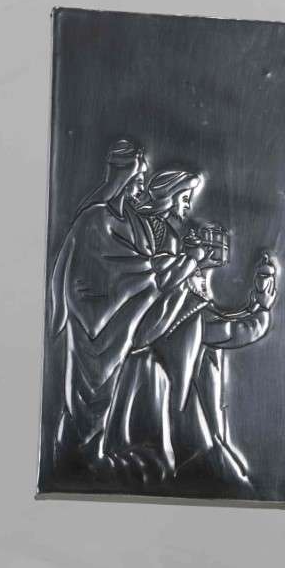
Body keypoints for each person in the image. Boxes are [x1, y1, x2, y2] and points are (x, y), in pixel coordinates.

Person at [104, 168, 278, 488]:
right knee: (226, 476)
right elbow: (225, 331)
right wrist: (262, 307)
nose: (187, 207)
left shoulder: (168, 308)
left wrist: (255, 306)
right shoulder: (178, 310)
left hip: (162, 440)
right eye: (184, 199)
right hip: (179, 445)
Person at [47, 141, 200, 478]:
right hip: (94, 324)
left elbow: (144, 268)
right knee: (88, 396)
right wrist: (184, 265)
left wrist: (177, 268)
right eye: (139, 178)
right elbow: (119, 274)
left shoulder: (133, 220)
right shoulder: (95, 219)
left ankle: (92, 454)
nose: (142, 186)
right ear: (124, 176)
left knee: (110, 392)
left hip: (120, 326)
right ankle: (82, 456)